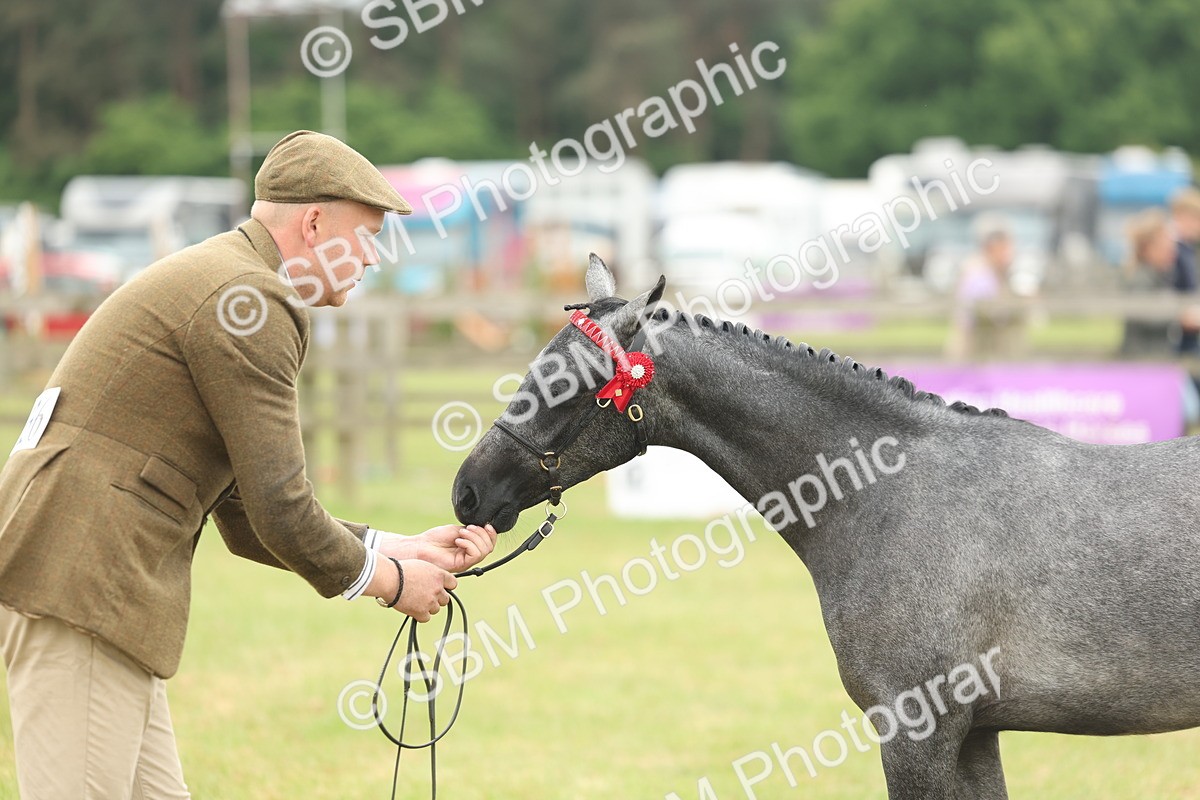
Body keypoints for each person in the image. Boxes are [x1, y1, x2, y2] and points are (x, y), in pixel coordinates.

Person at [0, 130, 498, 799]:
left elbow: (243, 515)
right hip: (85, 584)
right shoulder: (252, 300)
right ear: (315, 222)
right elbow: (280, 510)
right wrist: (390, 580)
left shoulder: (232, 281)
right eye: (368, 235)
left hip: (90, 584)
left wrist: (400, 549)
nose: (375, 257)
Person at [945, 214, 1026, 360]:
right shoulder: (979, 275)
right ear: (992, 248)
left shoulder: (992, 271)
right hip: (974, 353)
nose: (1009, 253)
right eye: (1005, 247)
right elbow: (993, 315)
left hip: (980, 351)